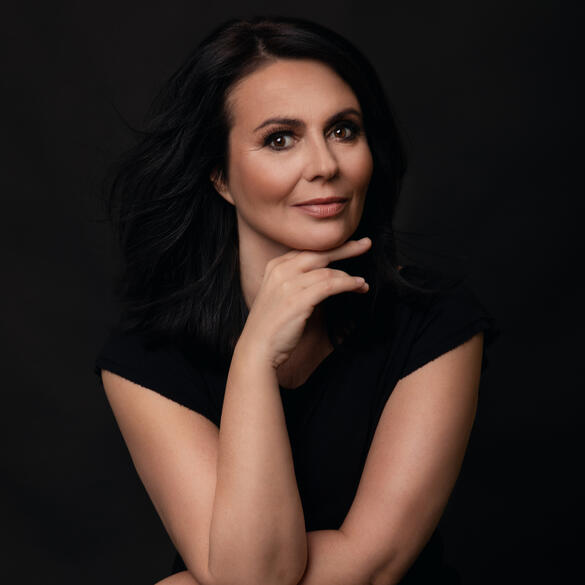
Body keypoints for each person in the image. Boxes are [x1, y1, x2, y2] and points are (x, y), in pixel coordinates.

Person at [94, 15, 499, 585]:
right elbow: (251, 578)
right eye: (280, 139)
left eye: (343, 131)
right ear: (220, 176)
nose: (325, 166)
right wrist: (255, 358)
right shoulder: (145, 360)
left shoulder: (436, 321)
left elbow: (369, 568)